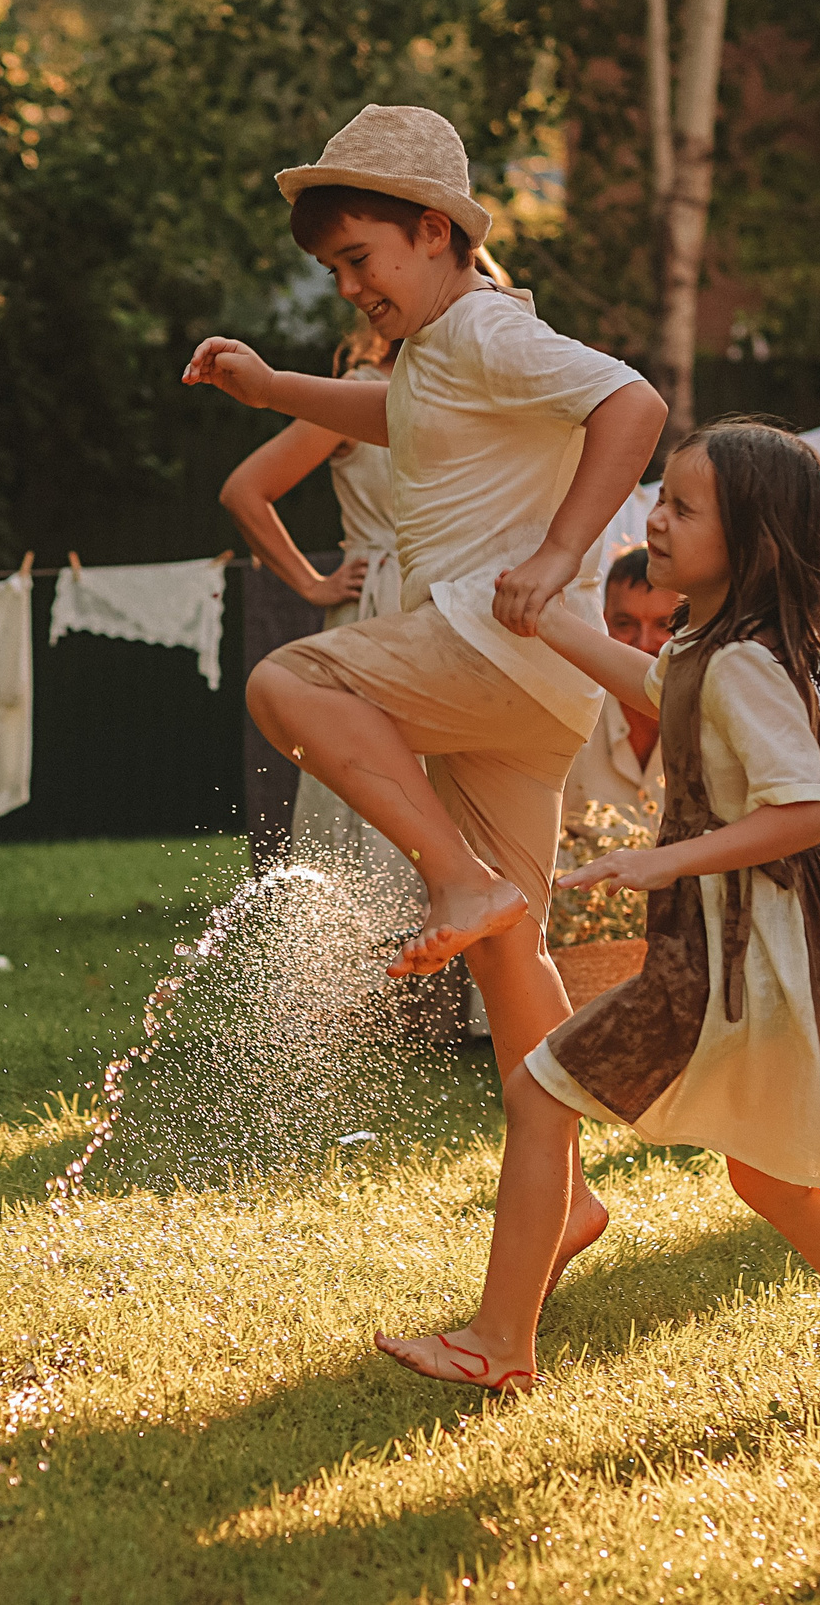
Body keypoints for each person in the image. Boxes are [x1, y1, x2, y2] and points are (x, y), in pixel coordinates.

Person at [374, 422, 820, 1398]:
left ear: (751, 544)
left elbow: (804, 815)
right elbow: (658, 683)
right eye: (663, 498)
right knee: (769, 1179)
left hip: (739, 967)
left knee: (537, 1093)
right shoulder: (711, 646)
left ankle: (498, 1344)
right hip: (743, 965)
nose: (656, 517)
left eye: (683, 507)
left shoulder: (743, 664)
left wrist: (665, 863)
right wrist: (548, 622)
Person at [184, 104, 667, 1287]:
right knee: (512, 955)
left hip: (490, 643)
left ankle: (452, 878)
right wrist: (269, 393)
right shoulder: (439, 356)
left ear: (440, 233)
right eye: (334, 269)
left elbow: (635, 405)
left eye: (361, 260)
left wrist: (560, 555)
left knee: (289, 679)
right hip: (528, 691)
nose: (350, 286)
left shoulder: (490, 330)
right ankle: (566, 1200)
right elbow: (389, 418)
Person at [218, 317, 407, 879]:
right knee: (372, 771)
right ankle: (361, 936)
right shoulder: (360, 391)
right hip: (384, 604)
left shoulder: (474, 392)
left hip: (461, 600)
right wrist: (310, 583)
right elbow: (245, 491)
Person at [559, 543, 681, 836]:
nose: (643, 643)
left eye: (664, 625)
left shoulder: (716, 719)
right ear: (601, 622)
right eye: (625, 623)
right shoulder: (568, 712)